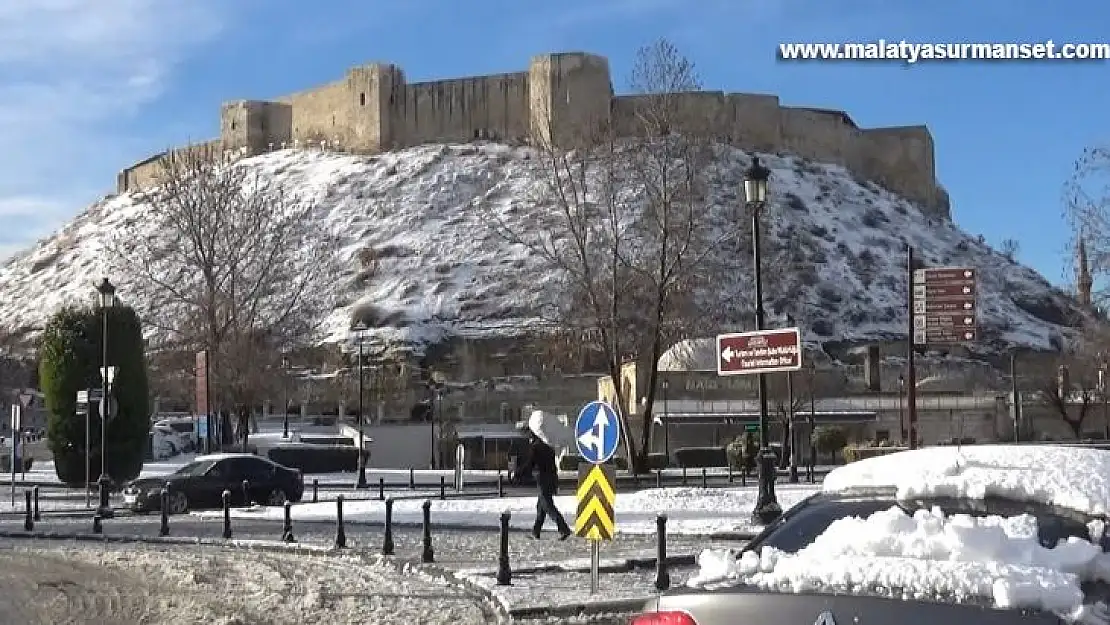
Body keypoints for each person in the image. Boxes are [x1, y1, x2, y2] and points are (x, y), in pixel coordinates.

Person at [516, 427, 571, 540]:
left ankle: (564, 529)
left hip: (542, 480)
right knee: (541, 506)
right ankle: (536, 532)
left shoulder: (536, 448)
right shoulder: (548, 447)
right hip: (551, 480)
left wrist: (517, 473)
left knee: (548, 506)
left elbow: (529, 464)